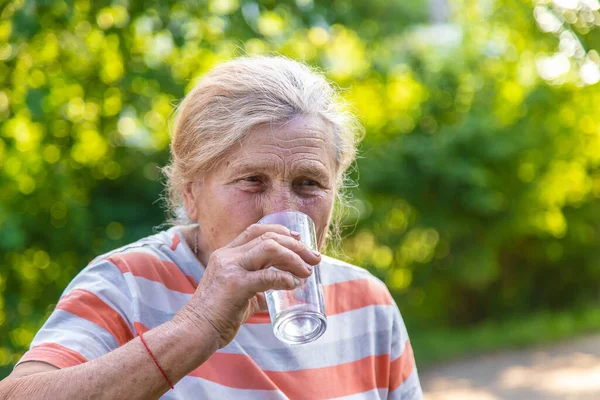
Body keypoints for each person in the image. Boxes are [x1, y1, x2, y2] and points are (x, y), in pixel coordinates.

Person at [0, 56, 423, 399]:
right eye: (252, 180)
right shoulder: (126, 285)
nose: (281, 211)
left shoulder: (368, 304)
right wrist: (199, 325)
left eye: (308, 183)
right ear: (191, 194)